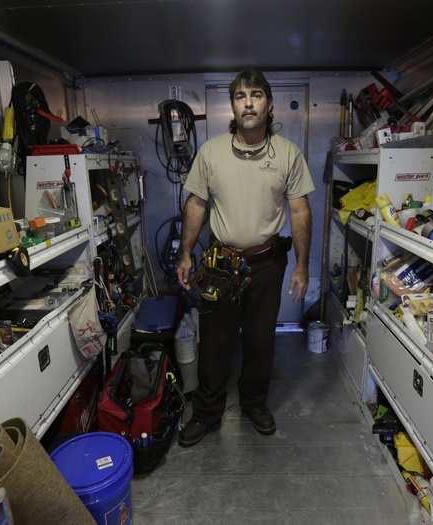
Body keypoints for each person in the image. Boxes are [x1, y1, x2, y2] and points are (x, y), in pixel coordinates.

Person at [176, 69, 314, 447]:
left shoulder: (287, 153)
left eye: (256, 95)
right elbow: (196, 203)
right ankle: (206, 412)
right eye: (240, 96)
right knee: (215, 343)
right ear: (233, 107)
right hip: (221, 263)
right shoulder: (211, 152)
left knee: (259, 340)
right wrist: (186, 252)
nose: (248, 102)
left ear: (269, 105)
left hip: (267, 263)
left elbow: (300, 211)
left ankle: (254, 403)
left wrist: (302, 266)